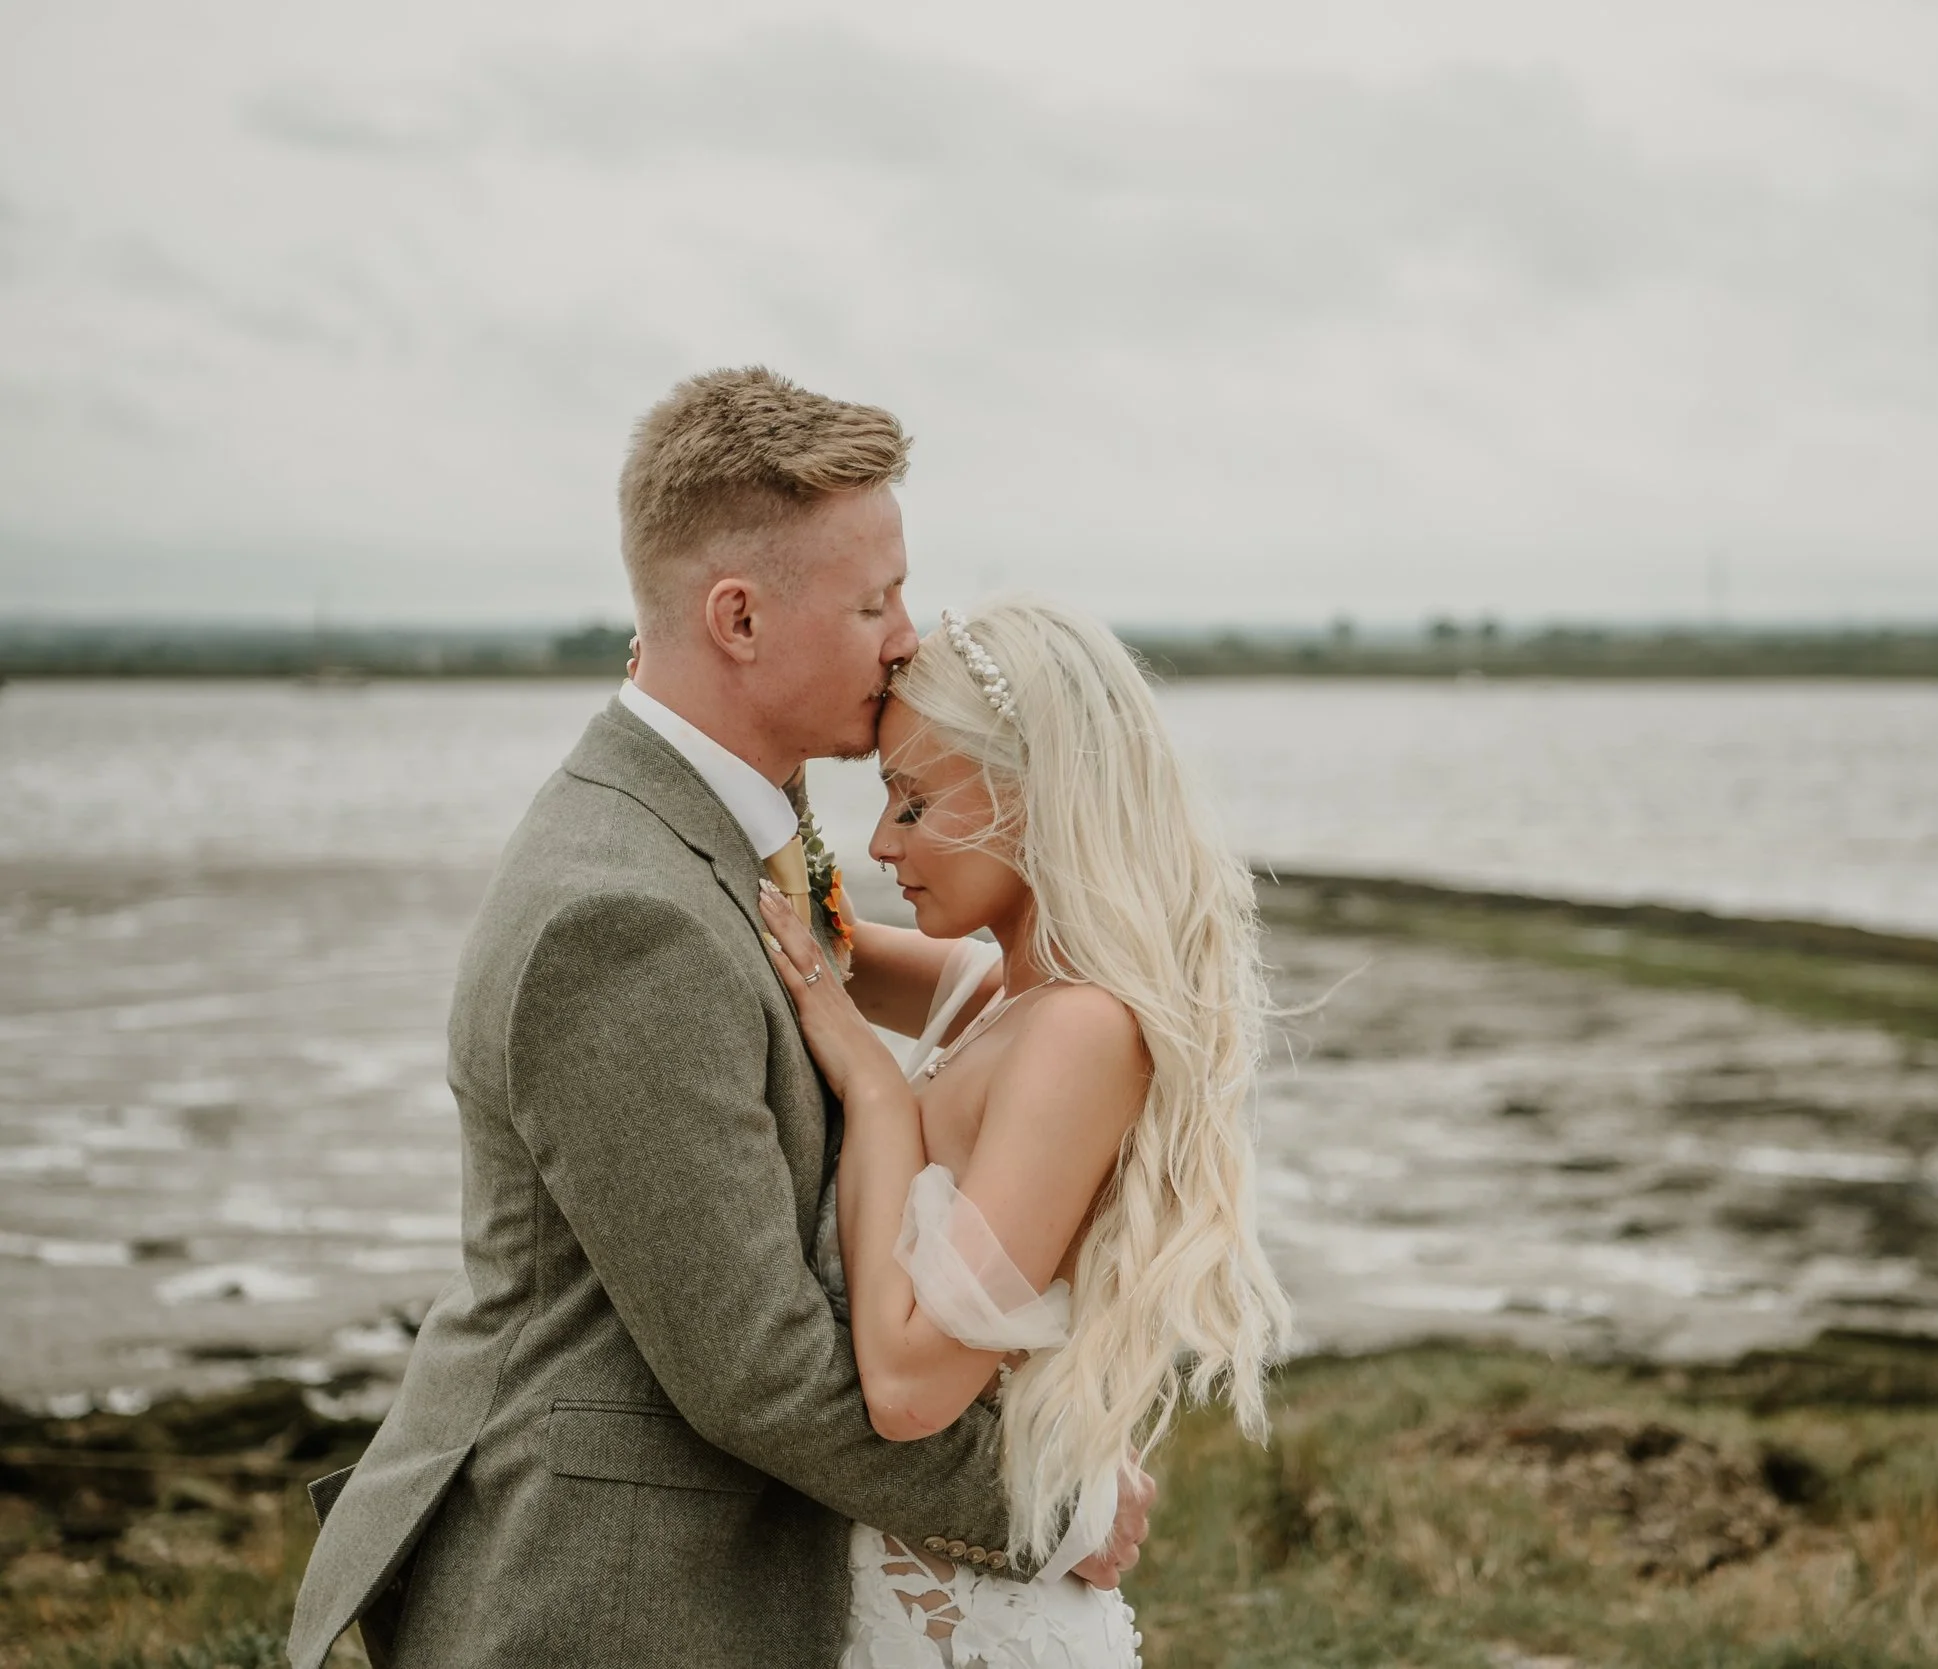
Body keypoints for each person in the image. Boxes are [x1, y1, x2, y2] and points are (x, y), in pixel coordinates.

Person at [288, 369, 1151, 1669]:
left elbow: (966, 996)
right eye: (875, 602)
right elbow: (763, 1373)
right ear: (738, 619)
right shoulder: (623, 916)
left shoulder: (717, 827)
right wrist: (1057, 1500)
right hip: (617, 1600)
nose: (907, 637)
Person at [753, 598, 1290, 1668]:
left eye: (912, 802)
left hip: (959, 1626)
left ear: (1038, 794)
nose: (880, 841)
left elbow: (911, 1387)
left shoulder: (1083, 1033)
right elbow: (805, 942)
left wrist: (876, 1092)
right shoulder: (990, 992)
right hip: (891, 1589)